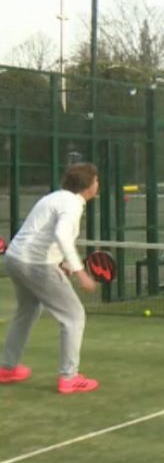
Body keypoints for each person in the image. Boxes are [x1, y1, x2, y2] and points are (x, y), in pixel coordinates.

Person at [0, 163, 101, 394]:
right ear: (87, 185)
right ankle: (69, 377)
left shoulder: (55, 198)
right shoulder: (73, 204)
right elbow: (62, 235)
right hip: (34, 264)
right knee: (74, 316)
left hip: (14, 259)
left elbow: (43, 235)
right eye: (96, 181)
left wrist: (62, 263)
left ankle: (7, 368)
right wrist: (80, 272)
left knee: (27, 312)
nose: (97, 185)